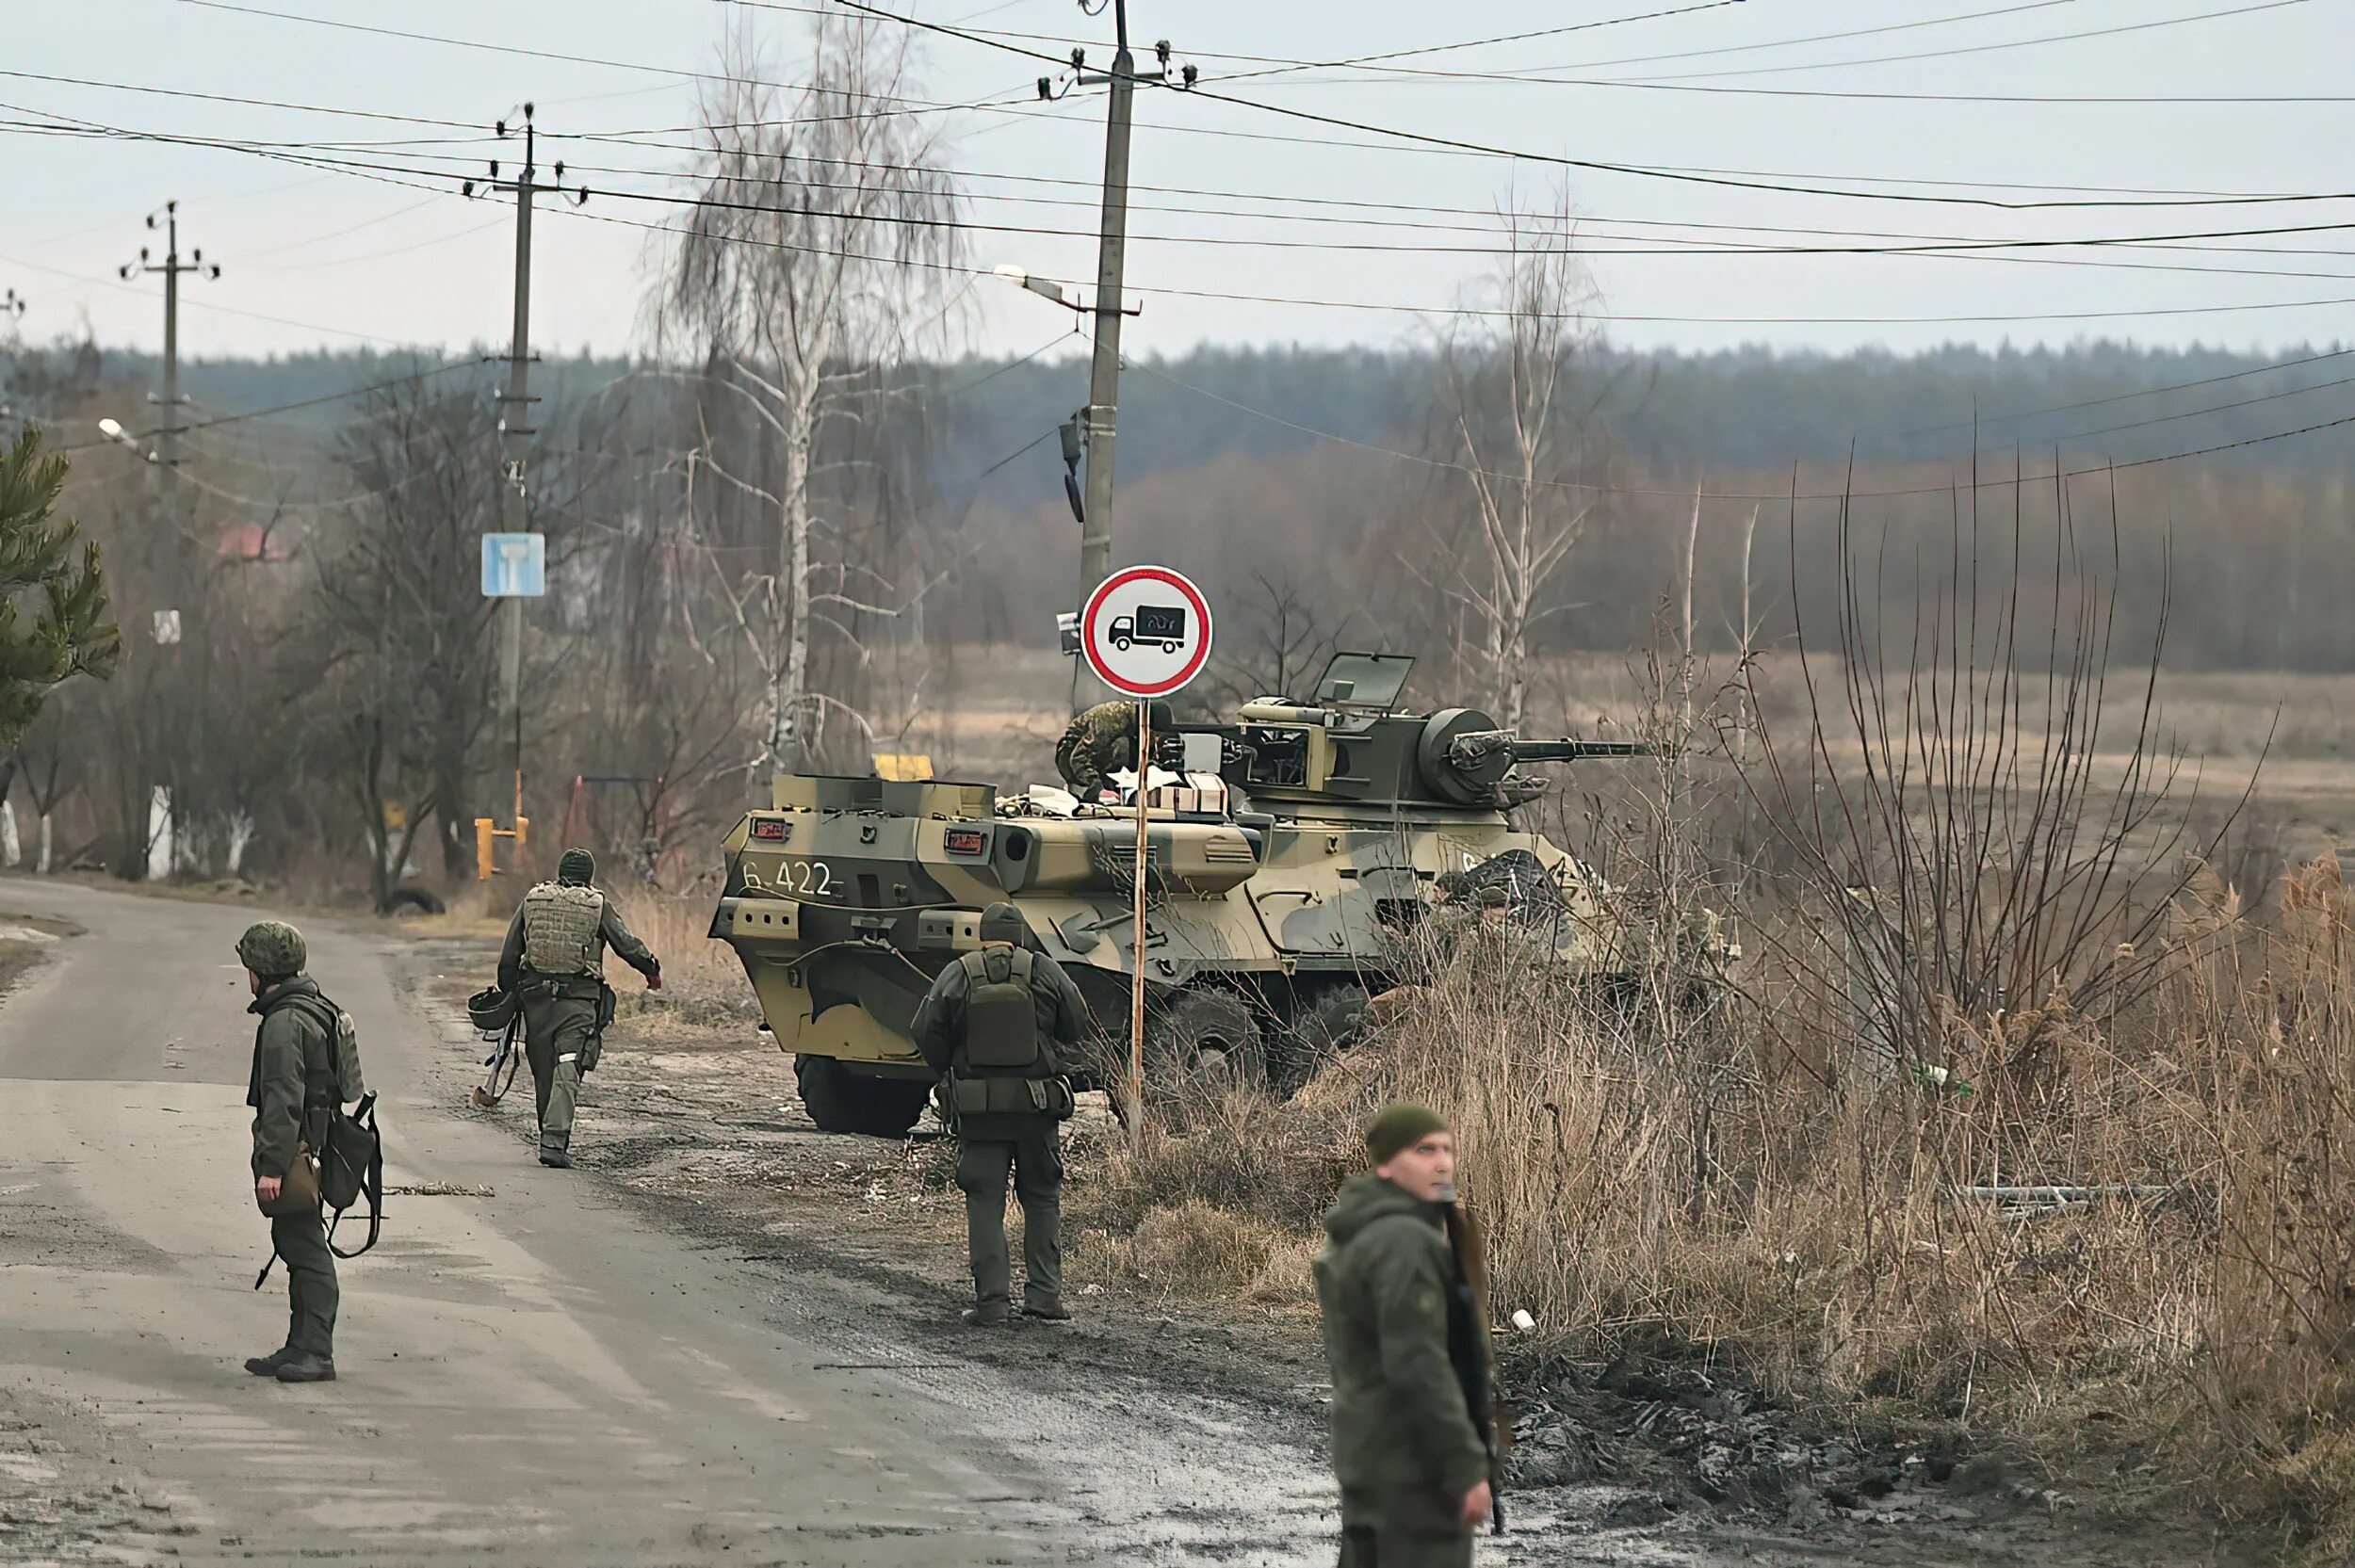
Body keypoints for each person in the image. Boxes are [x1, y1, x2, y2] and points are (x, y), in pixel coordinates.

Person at [1314, 1103, 1499, 1568]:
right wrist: (1463, 1466)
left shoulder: (1358, 1231)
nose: (1442, 1163)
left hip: (1370, 1457)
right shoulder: (1406, 1242)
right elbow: (1417, 1363)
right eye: (1424, 1150)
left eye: (1447, 1150)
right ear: (1385, 1163)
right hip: (1415, 1470)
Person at [909, 901, 1090, 1327]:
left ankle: (991, 1303)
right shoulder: (1045, 971)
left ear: (982, 936)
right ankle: (1044, 1296)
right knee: (1042, 1199)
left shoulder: (960, 973)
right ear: (1021, 936)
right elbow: (1077, 1023)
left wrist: (952, 1072)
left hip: (979, 1111)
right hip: (1036, 1108)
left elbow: (924, 1029)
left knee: (985, 1203)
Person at [496, 848, 661, 1169]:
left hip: (536, 1000)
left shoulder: (533, 899)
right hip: (578, 1000)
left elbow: (510, 953)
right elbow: (626, 944)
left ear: (560, 871)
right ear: (589, 876)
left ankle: (550, 1133)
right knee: (569, 1064)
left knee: (543, 1068)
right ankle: (554, 1142)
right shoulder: (596, 904)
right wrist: (651, 970)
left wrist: (508, 991)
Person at [239, 919, 341, 1384]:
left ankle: (316, 1351)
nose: (248, 978)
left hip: (296, 1152)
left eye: (250, 968)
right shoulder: (310, 1006)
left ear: (263, 970)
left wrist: (273, 1168)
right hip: (312, 1146)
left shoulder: (284, 1022)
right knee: (295, 1243)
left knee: (306, 1249)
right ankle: (299, 1345)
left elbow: (282, 1098)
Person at [1054, 699, 1175, 801]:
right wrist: (1097, 787)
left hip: (1096, 759)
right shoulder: (1111, 721)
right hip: (1070, 755)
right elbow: (1078, 757)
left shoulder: (1142, 723)